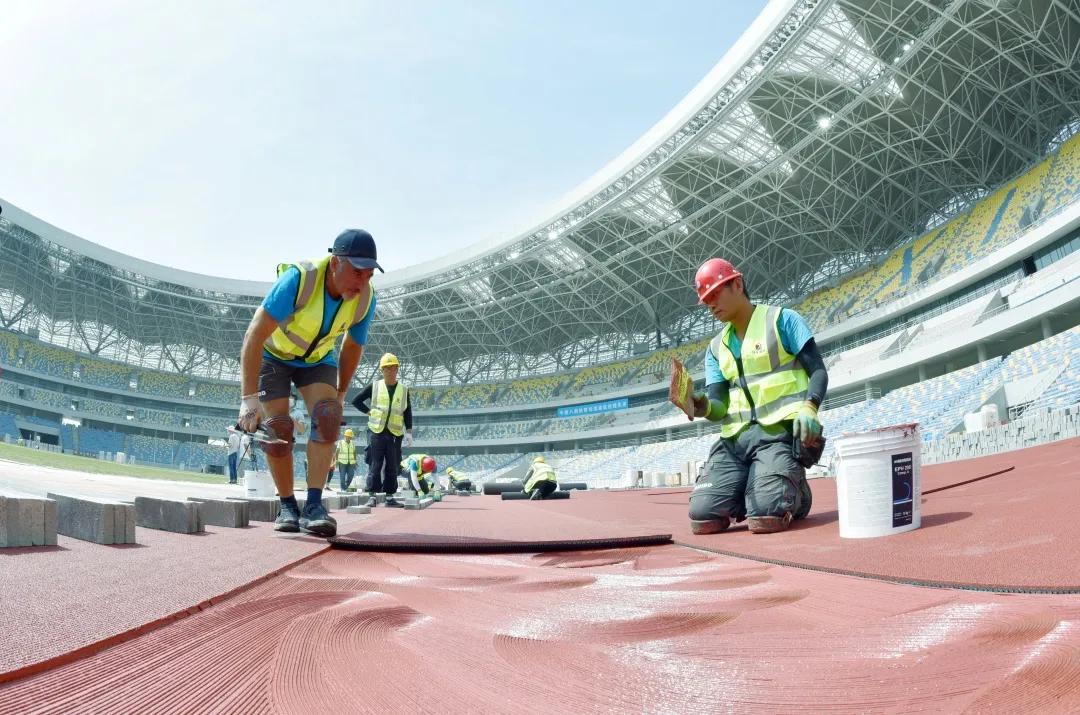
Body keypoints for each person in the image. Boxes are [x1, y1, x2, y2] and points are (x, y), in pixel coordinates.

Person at [236, 229, 382, 537]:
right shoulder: (298, 280)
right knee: (278, 429)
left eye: (369, 275)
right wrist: (248, 399)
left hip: (316, 359)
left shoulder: (365, 299)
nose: (362, 283)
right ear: (335, 263)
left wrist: (340, 393)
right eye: (357, 272)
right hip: (275, 355)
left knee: (328, 415)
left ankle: (314, 506)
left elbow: (353, 346)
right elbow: (254, 334)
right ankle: (287, 505)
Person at [686, 258, 827, 535]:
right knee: (702, 517)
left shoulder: (783, 320)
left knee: (767, 516)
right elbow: (719, 404)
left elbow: (818, 372)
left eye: (715, 294)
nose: (711, 305)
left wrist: (810, 406)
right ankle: (758, 486)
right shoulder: (715, 348)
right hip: (735, 442)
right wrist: (704, 407)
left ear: (737, 285)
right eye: (706, 300)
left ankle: (797, 492)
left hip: (777, 435)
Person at [353, 352, 412, 507]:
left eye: (393, 368)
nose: (391, 371)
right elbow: (356, 401)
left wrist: (409, 432)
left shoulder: (404, 390)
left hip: (395, 434)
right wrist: (369, 412)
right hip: (376, 431)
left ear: (397, 369)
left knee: (393, 465)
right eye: (387, 368)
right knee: (375, 464)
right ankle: (372, 496)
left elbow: (407, 411)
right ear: (382, 370)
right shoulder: (374, 386)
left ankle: (390, 498)